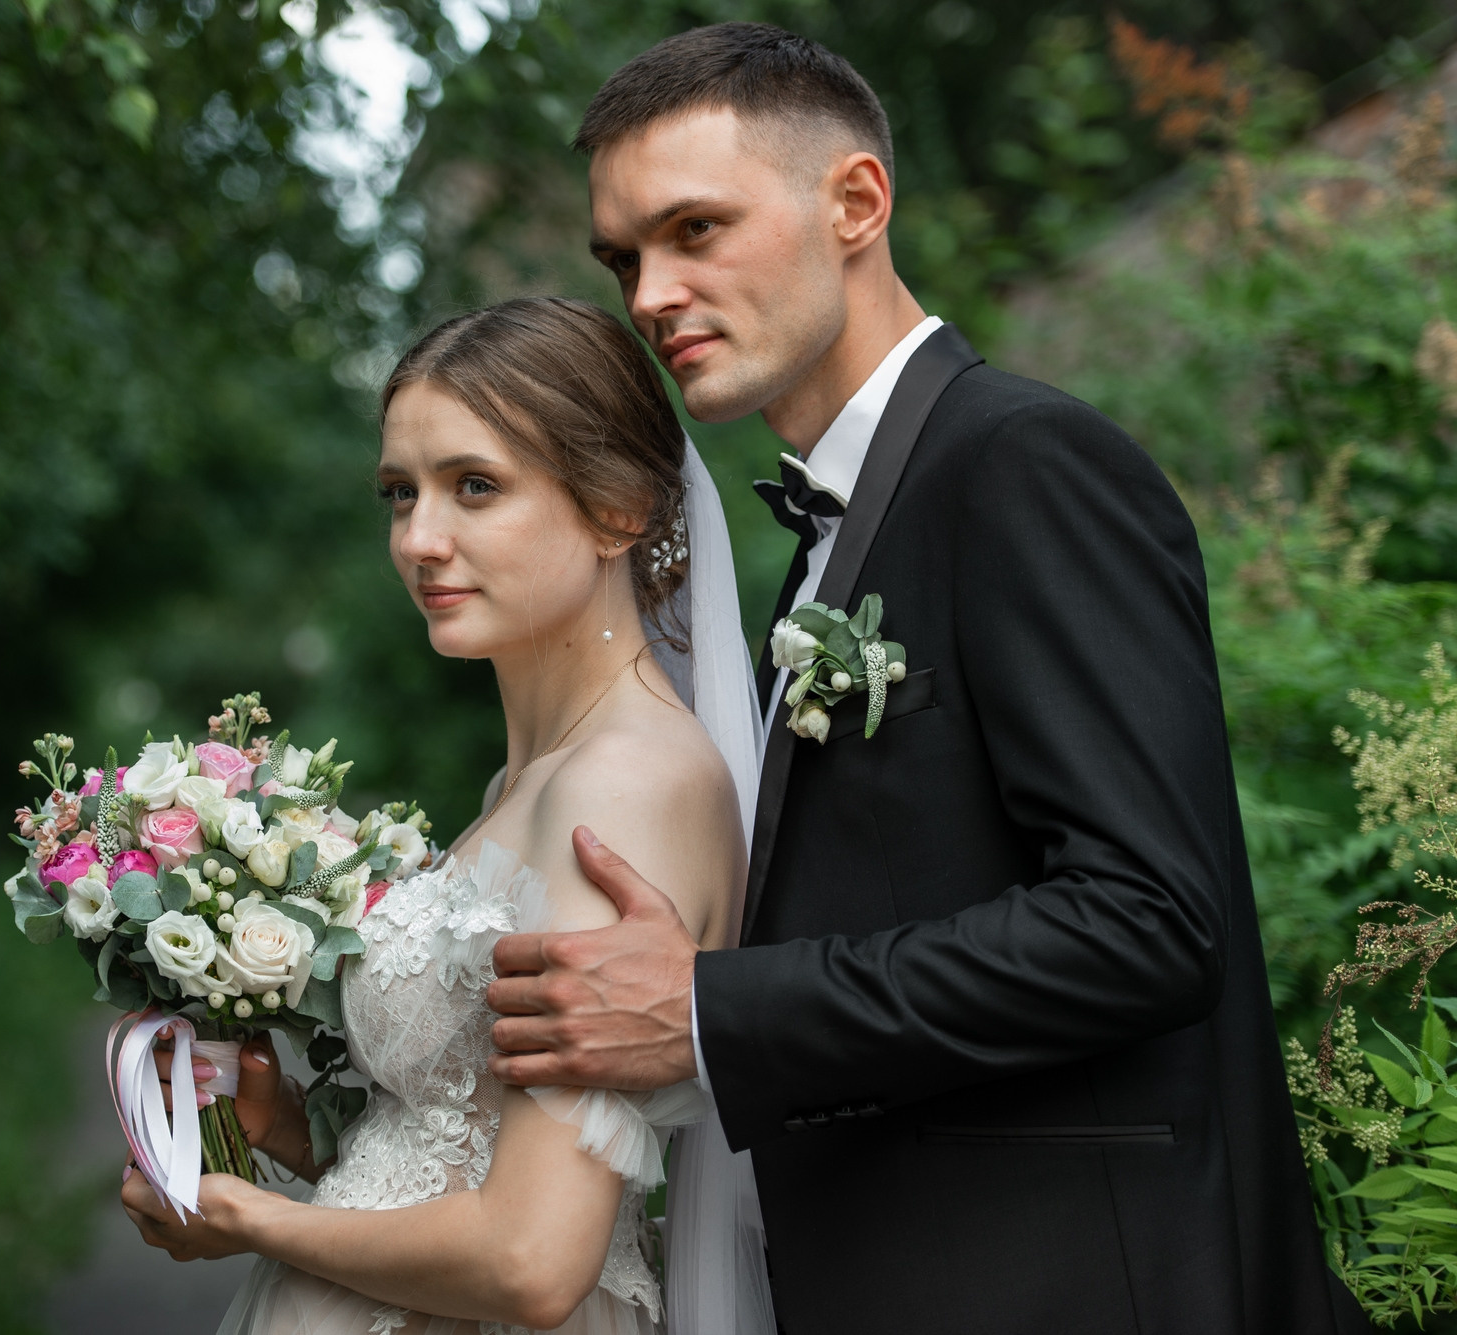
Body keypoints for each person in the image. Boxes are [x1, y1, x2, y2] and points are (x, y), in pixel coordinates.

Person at [481, 23, 1367, 1335]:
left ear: (855, 202)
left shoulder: (1024, 465)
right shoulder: (831, 541)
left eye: (695, 230)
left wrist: (716, 1009)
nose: (652, 294)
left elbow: (1148, 921)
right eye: (623, 259)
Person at [121, 296, 777, 1334]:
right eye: (401, 492)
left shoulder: (624, 788)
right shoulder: (526, 783)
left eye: (475, 485)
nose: (419, 540)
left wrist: (250, 1217)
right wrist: (285, 1133)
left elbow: (533, 1260)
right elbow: (458, 1158)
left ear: (618, 508)